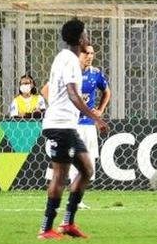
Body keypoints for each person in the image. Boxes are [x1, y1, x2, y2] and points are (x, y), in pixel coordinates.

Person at [38, 19, 107, 240]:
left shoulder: (69, 59)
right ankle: (46, 228)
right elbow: (72, 93)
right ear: (80, 38)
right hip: (59, 126)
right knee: (60, 175)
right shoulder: (68, 60)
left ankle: (67, 223)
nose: (88, 37)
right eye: (86, 34)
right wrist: (94, 116)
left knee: (87, 169)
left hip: (67, 125)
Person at [44, 44, 111, 190]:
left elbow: (107, 92)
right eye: (86, 53)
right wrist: (58, 108)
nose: (90, 56)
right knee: (72, 161)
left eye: (92, 53)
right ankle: (67, 196)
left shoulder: (96, 73)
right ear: (78, 55)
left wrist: (100, 110)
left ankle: (76, 197)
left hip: (88, 124)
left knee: (88, 162)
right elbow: (45, 90)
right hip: (71, 124)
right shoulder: (68, 71)